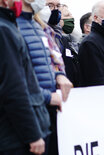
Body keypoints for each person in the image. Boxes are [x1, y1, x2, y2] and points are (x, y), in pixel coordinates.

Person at [17, 0, 73, 154]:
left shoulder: (38, 26)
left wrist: (58, 75)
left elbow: (48, 61)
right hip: (26, 114)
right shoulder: (11, 26)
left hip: (46, 112)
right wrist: (47, 97)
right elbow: (13, 79)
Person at [0, 0, 48, 154]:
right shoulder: (4, 30)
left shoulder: (8, 26)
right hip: (15, 137)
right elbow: (14, 88)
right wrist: (33, 135)